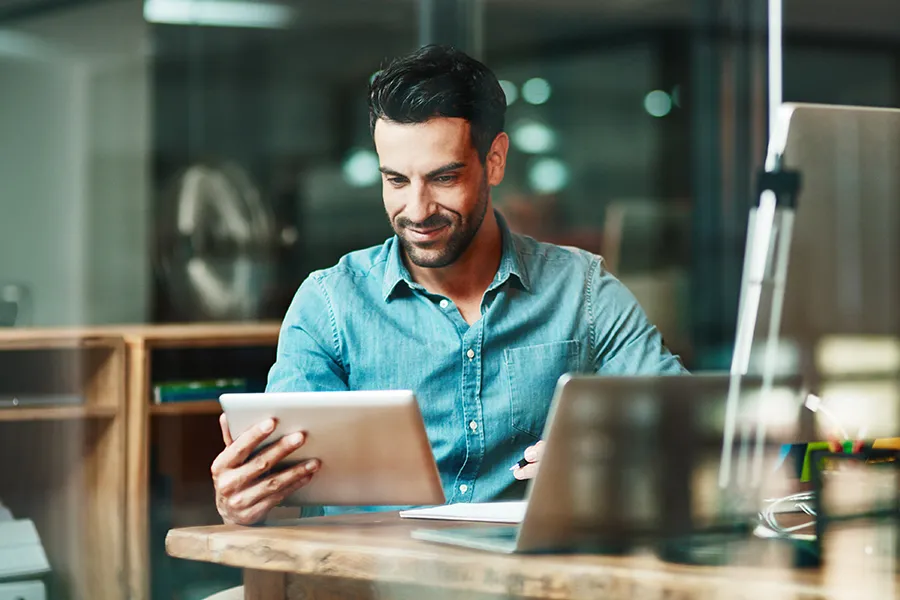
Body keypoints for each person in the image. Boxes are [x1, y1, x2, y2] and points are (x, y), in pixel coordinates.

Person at [211, 44, 687, 527]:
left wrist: (617, 459)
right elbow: (276, 479)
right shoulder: (330, 304)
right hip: (364, 583)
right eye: (396, 180)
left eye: (443, 178)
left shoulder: (582, 291)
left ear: (495, 160)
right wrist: (241, 503)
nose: (417, 210)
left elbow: (690, 428)